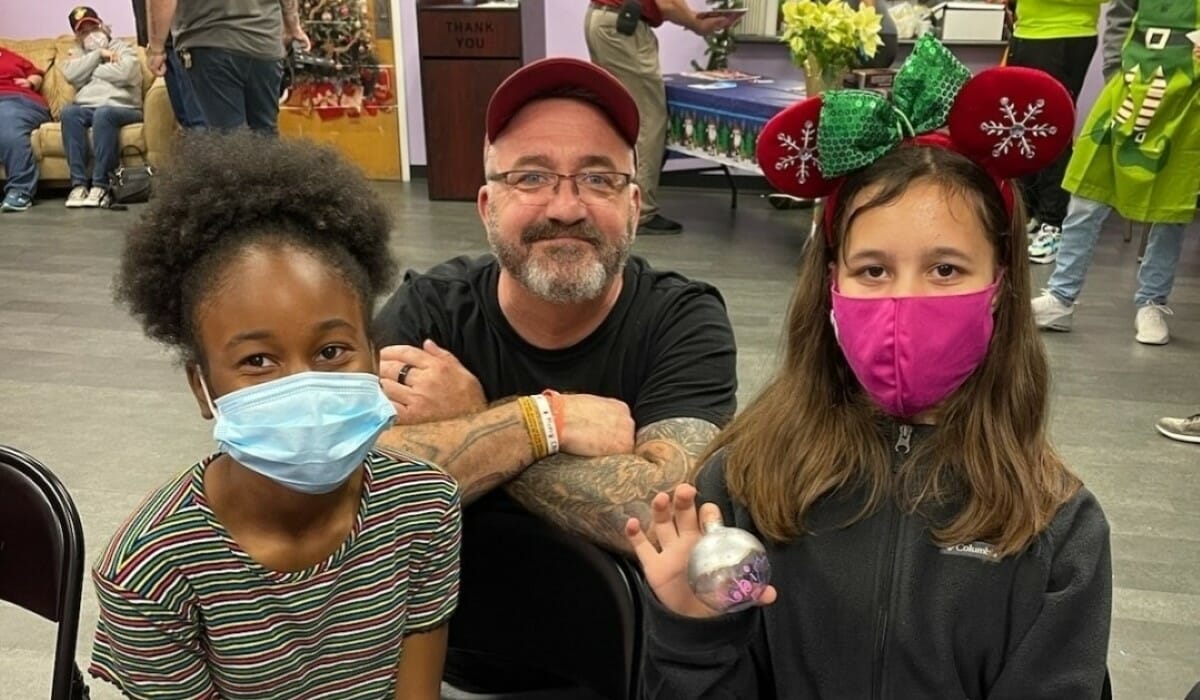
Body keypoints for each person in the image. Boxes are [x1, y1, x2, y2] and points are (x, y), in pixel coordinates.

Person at [629, 38, 1112, 698]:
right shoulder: (746, 482)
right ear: (831, 286)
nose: (904, 301)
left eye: (946, 270)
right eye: (872, 270)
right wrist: (691, 635)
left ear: (1000, 285)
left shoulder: (1055, 524)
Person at [89, 131, 459, 699]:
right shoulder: (151, 570)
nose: (304, 388)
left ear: (373, 350)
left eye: (332, 352)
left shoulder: (424, 507)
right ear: (203, 387)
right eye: (257, 360)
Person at [370, 56, 738, 556]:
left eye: (599, 179)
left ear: (633, 207)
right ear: (487, 207)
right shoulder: (431, 310)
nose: (566, 208)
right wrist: (545, 422)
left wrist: (486, 419)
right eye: (530, 178)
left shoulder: (681, 319)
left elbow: (668, 517)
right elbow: (355, 484)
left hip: (621, 627)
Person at [1031, 0, 1199, 345]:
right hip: (1129, 88)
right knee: (1086, 193)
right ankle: (1062, 297)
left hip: (1188, 101)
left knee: (1170, 207)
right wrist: (1115, 72)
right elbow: (1121, 17)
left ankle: (1151, 302)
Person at [584, 0, 727, 235]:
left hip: (605, 19)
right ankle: (641, 213)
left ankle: (610, 198)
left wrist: (691, 18)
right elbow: (666, 3)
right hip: (623, 26)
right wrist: (696, 23)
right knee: (647, 118)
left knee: (616, 115)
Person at [988, 0, 1106, 254]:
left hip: (1065, 35)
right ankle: (1029, 212)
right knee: (1020, 127)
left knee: (1052, 125)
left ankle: (1054, 223)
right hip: (1025, 32)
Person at [145, 0, 311, 134]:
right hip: (265, 43)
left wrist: (156, 48)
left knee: (229, 143)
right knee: (264, 135)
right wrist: (293, 26)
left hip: (211, 41)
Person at [60, 6, 144, 208]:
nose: (91, 35)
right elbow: (70, 74)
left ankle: (101, 185)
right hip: (87, 106)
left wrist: (90, 70)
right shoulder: (78, 53)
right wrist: (99, 55)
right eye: (84, 32)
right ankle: (79, 185)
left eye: (94, 28)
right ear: (77, 36)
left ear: (102, 25)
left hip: (122, 107)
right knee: (69, 113)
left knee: (103, 114)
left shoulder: (122, 47)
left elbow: (127, 73)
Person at [132, 0, 206, 129]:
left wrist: (156, 49)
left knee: (198, 119)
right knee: (186, 119)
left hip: (185, 40)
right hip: (166, 43)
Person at [0, 45, 50, 212]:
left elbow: (35, 73)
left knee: (7, 120)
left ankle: (20, 190)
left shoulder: (10, 56)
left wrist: (30, 82)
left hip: (19, 100)